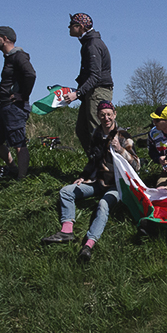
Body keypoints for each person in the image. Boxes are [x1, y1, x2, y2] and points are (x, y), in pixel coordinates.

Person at [40, 101, 139, 262]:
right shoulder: (96, 134)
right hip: (98, 181)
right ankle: (67, 231)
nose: (106, 118)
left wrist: (120, 150)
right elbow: (92, 159)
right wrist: (84, 176)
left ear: (114, 114)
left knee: (103, 205)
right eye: (102, 115)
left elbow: (136, 165)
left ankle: (89, 244)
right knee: (66, 191)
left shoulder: (123, 136)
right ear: (98, 117)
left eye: (108, 114)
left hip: (117, 186)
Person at [57, 13, 113, 152]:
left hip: (98, 92)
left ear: (80, 27)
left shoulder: (92, 45)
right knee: (82, 130)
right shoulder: (88, 43)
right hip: (91, 92)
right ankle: (96, 165)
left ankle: (107, 168)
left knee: (97, 131)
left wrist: (77, 93)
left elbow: (95, 75)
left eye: (71, 25)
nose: (69, 27)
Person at [0, 26, 36, 181]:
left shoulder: (19, 56)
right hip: (5, 105)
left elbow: (30, 74)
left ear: (5, 38)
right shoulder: (9, 57)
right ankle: (13, 168)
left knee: (19, 143)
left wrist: (23, 95)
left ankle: (21, 178)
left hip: (15, 106)